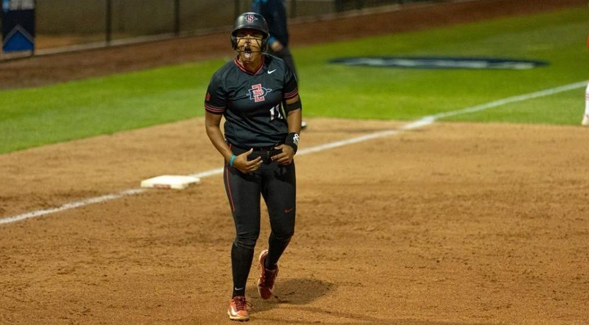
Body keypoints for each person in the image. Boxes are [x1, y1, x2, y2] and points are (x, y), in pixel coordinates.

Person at [204, 12, 302, 322]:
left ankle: (269, 264)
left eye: (254, 34)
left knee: (284, 230)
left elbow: (295, 107)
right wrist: (232, 159)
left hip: (278, 159)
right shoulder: (223, 79)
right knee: (247, 234)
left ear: (263, 41)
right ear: (235, 40)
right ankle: (237, 296)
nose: (247, 40)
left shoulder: (279, 69)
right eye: (242, 34)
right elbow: (211, 125)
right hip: (242, 164)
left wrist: (292, 143)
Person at [251, 0, 307, 130]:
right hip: (270, 47)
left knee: (290, 79)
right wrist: (270, 40)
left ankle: (290, 118)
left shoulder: (279, 1)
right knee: (272, 83)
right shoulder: (261, 2)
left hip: (282, 45)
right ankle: (266, 119)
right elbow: (256, 23)